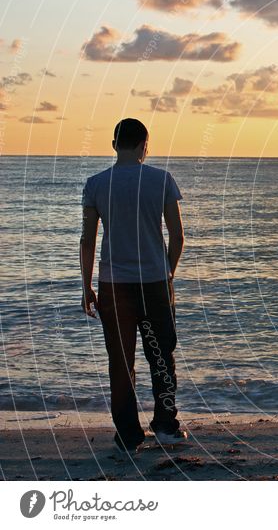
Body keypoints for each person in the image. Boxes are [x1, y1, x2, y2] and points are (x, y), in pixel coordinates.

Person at [79, 118, 188, 453]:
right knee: (161, 355)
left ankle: (128, 435)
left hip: (114, 284)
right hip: (153, 282)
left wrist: (86, 287)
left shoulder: (96, 184)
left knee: (121, 361)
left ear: (114, 145)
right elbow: (177, 236)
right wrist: (167, 274)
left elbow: (87, 241)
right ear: (145, 145)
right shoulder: (161, 180)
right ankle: (166, 426)